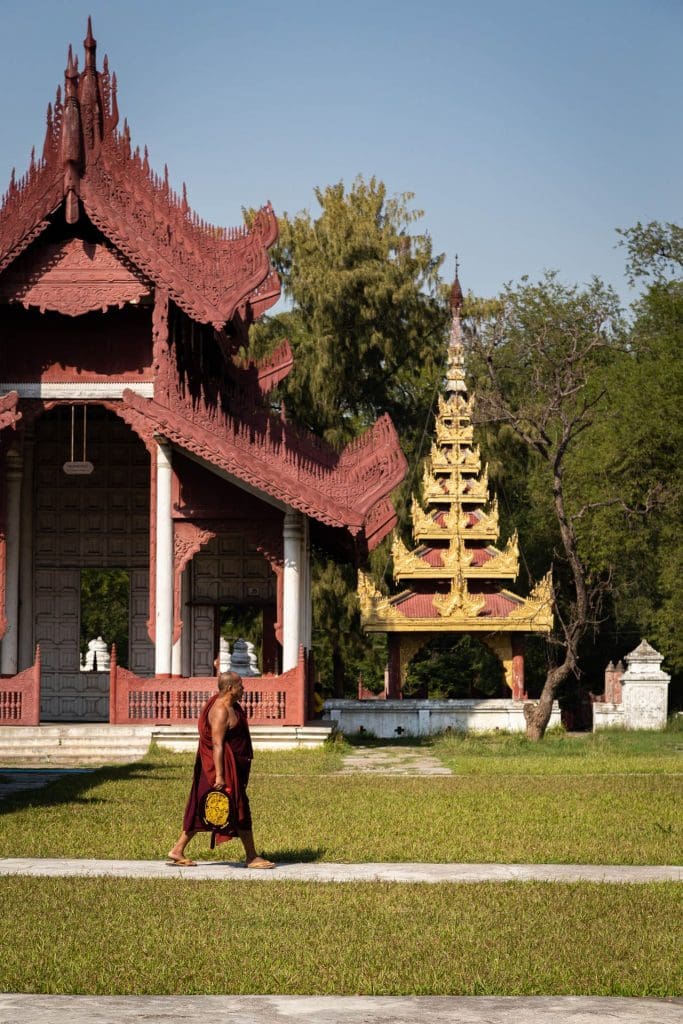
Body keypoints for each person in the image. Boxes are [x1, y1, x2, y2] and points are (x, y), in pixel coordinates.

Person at [167, 670, 274, 869]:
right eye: (241, 685)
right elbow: (217, 744)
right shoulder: (220, 710)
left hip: (228, 769)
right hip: (218, 771)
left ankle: (177, 850)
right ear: (230, 688)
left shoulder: (233, 706)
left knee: (206, 809)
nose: (244, 688)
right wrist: (220, 775)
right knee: (238, 808)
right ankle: (251, 856)